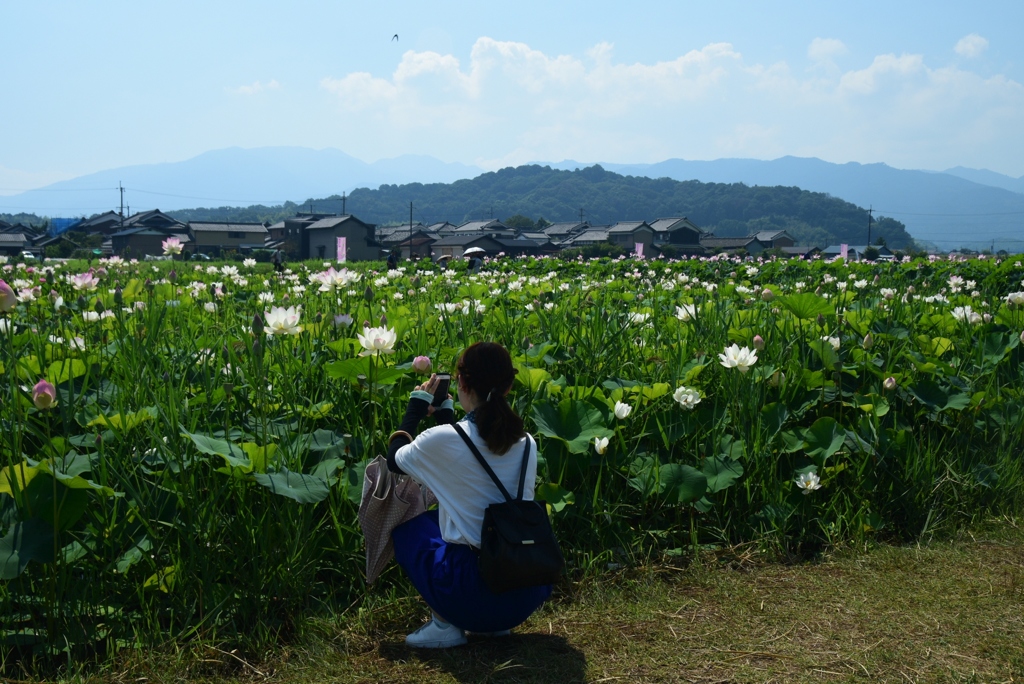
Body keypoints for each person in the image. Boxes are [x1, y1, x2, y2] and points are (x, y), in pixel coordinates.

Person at [385, 342, 552, 648]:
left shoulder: (441, 440)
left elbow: (395, 459)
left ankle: (444, 625)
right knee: (448, 518)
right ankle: (494, 628)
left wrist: (416, 407)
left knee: (409, 529)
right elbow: (468, 456)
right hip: (523, 591)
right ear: (509, 385)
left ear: (461, 382)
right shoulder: (526, 441)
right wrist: (445, 415)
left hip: (472, 592)